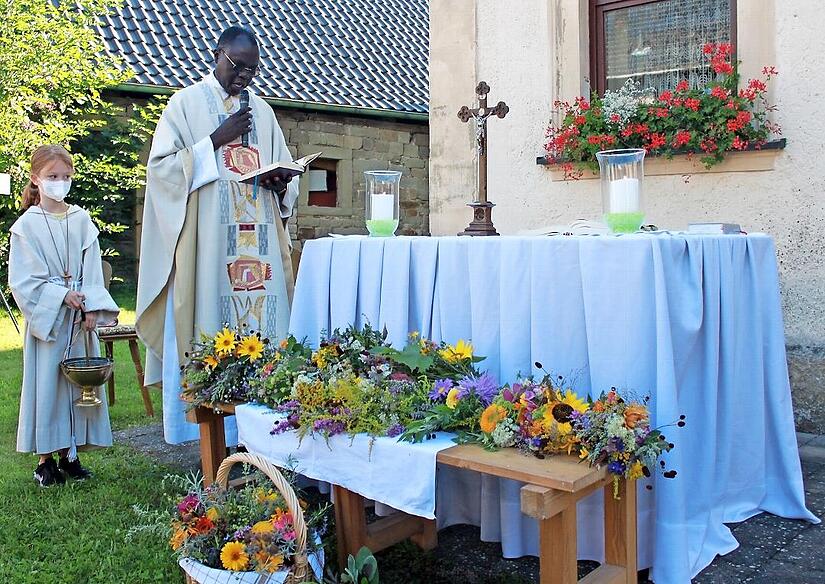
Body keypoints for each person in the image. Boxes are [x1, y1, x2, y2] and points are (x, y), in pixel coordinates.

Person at [136, 26, 299, 444]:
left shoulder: (263, 112)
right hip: (210, 252)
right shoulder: (185, 104)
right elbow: (161, 171)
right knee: (211, 329)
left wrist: (282, 183)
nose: (244, 77)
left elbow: (284, 167)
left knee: (267, 338)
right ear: (217, 54)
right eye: (238, 66)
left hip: (259, 244)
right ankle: (213, 437)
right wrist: (215, 140)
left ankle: (267, 432)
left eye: (253, 70)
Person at [9, 145, 120, 487]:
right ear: (36, 179)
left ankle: (71, 456)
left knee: (77, 389)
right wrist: (61, 296)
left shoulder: (82, 220)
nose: (60, 183)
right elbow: (24, 280)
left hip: (79, 319)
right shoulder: (26, 227)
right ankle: (45, 461)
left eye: (65, 177)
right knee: (49, 386)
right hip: (52, 321)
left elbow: (92, 270)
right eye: (52, 177)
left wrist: (91, 307)